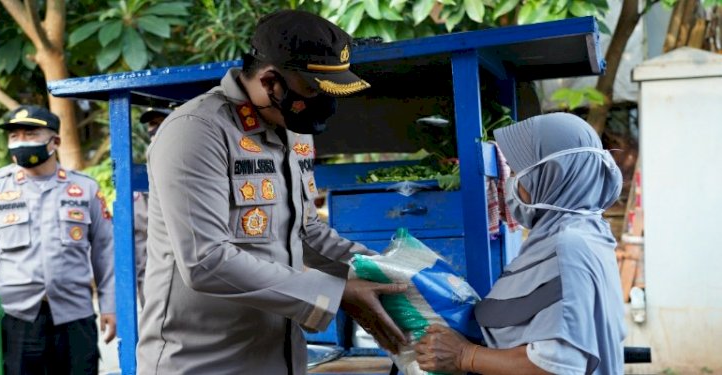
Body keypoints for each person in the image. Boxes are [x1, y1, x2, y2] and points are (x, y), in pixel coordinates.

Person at [137, 10, 407, 374]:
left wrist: (385, 271)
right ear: (270, 82)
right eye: (314, 90)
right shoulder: (196, 131)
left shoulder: (292, 130)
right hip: (202, 363)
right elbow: (205, 261)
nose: (324, 103)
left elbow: (308, 232)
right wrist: (335, 293)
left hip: (277, 357)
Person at [414, 113, 625, 374]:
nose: (510, 183)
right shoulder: (588, 231)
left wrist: (465, 355)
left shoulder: (568, 246)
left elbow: (559, 366)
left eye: (516, 172)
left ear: (551, 176)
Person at [0, 105, 116, 374]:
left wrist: (110, 305)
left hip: (74, 315)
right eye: (14, 136)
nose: (21, 142)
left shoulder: (84, 188)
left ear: (55, 142)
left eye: (30, 134)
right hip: (14, 316)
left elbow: (105, 251)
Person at [133, 107, 171, 307]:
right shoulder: (140, 187)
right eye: (152, 124)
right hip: (155, 285)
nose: (155, 129)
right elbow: (138, 243)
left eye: (161, 122)